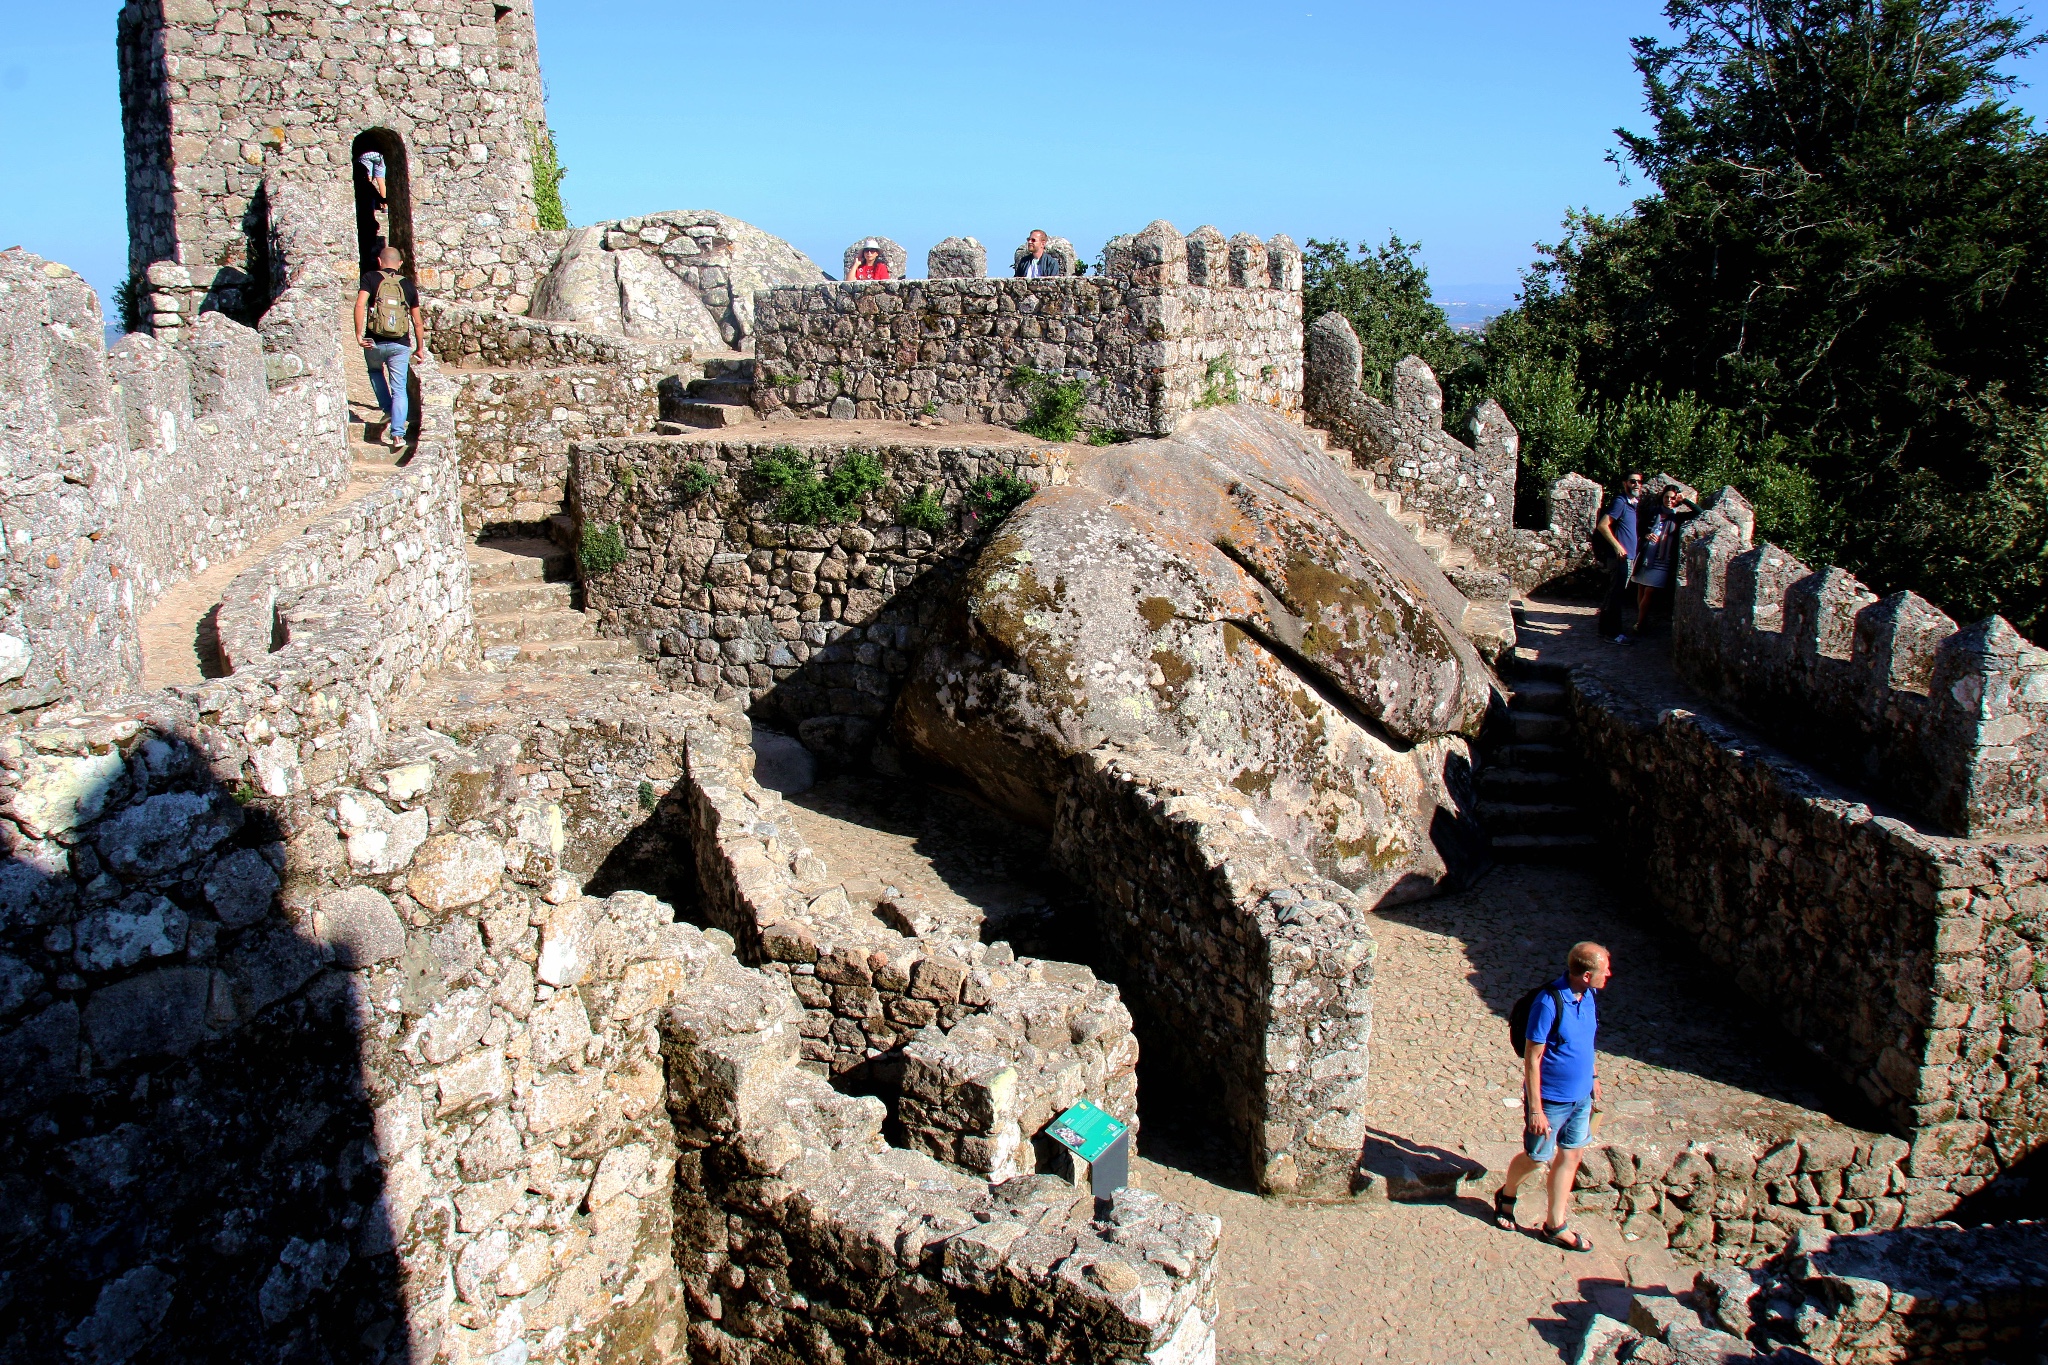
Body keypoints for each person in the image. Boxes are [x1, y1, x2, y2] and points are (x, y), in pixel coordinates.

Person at [1493, 941, 1613, 1252]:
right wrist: (1536, 1110)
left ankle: (1555, 1225)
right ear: (1586, 975)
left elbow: (1587, 1041)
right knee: (1537, 1159)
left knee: (1571, 1155)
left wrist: (1594, 1077)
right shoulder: (1548, 1003)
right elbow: (1532, 1058)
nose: (1609, 974)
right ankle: (1507, 1193)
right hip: (1551, 1101)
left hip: (1581, 1098)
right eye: (1604, 970)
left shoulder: (1588, 997)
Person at [354, 246, 423, 452]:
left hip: (373, 342)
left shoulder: (370, 278)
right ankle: (397, 435)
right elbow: (417, 322)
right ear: (400, 263)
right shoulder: (408, 286)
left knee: (375, 371)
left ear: (379, 260)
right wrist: (419, 348)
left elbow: (359, 305)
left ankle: (387, 408)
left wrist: (359, 335)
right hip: (400, 345)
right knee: (399, 388)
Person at [1629, 483, 1696, 634]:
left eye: (1673, 498)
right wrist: (1646, 535)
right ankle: (1641, 620)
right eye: (1666, 497)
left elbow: (1700, 513)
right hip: (1646, 554)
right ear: (1662, 497)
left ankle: (1640, 622)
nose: (1669, 500)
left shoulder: (1678, 517)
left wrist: (1685, 501)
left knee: (1651, 590)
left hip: (1663, 559)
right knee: (1640, 586)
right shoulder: (1653, 512)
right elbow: (1638, 527)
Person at [1596, 472, 1644, 643]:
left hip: (1627, 556)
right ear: (1625, 483)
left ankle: (1605, 630)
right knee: (1615, 595)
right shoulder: (1620, 502)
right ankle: (1613, 634)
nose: (1636, 484)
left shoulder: (1633, 504)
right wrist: (1618, 547)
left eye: (1639, 481)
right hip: (1620, 558)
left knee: (1614, 594)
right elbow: (1603, 525)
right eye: (1633, 481)